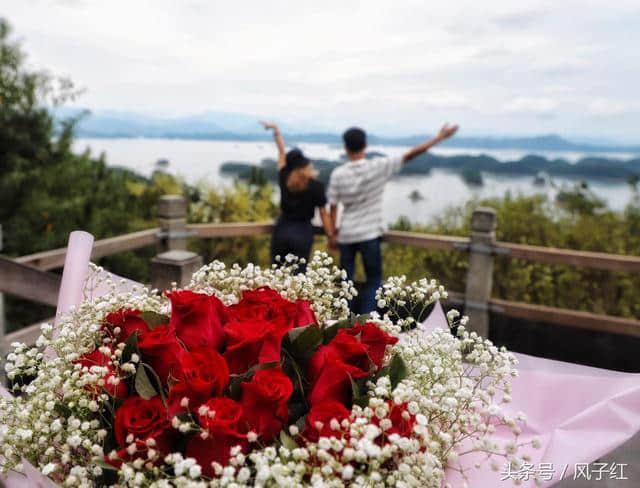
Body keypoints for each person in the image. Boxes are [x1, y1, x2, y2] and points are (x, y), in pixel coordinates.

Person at [327, 123, 459, 313]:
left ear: (346, 147)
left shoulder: (338, 174)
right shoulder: (378, 166)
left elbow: (332, 206)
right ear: (365, 146)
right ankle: (366, 324)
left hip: (346, 235)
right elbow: (410, 155)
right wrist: (439, 138)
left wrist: (332, 235)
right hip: (370, 234)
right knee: (373, 281)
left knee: (345, 282)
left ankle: (341, 321)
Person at [261, 121, 336, 271]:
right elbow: (323, 213)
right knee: (298, 277)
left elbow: (281, 153)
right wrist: (330, 235)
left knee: (277, 273)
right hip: (303, 233)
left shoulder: (285, 177)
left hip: (281, 230)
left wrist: (276, 130)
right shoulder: (316, 186)